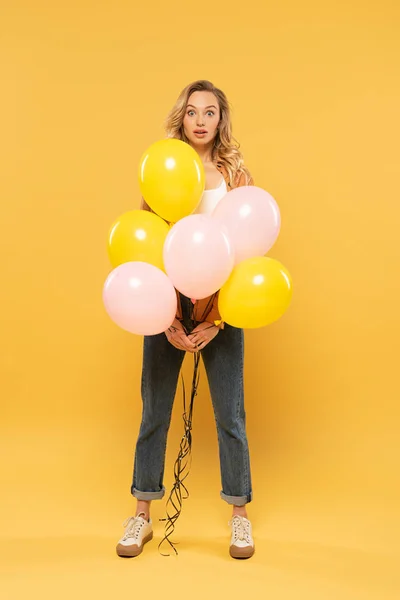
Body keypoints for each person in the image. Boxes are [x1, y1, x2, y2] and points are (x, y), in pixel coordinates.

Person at [116, 80, 255, 560]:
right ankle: (141, 516)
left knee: (230, 416)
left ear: (221, 119)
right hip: (165, 306)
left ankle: (240, 519)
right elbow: (147, 245)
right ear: (182, 117)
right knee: (154, 412)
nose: (201, 120)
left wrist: (217, 320)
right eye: (193, 111)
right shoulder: (164, 171)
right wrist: (169, 320)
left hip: (226, 308)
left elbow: (245, 252)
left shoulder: (237, 175)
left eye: (210, 111)